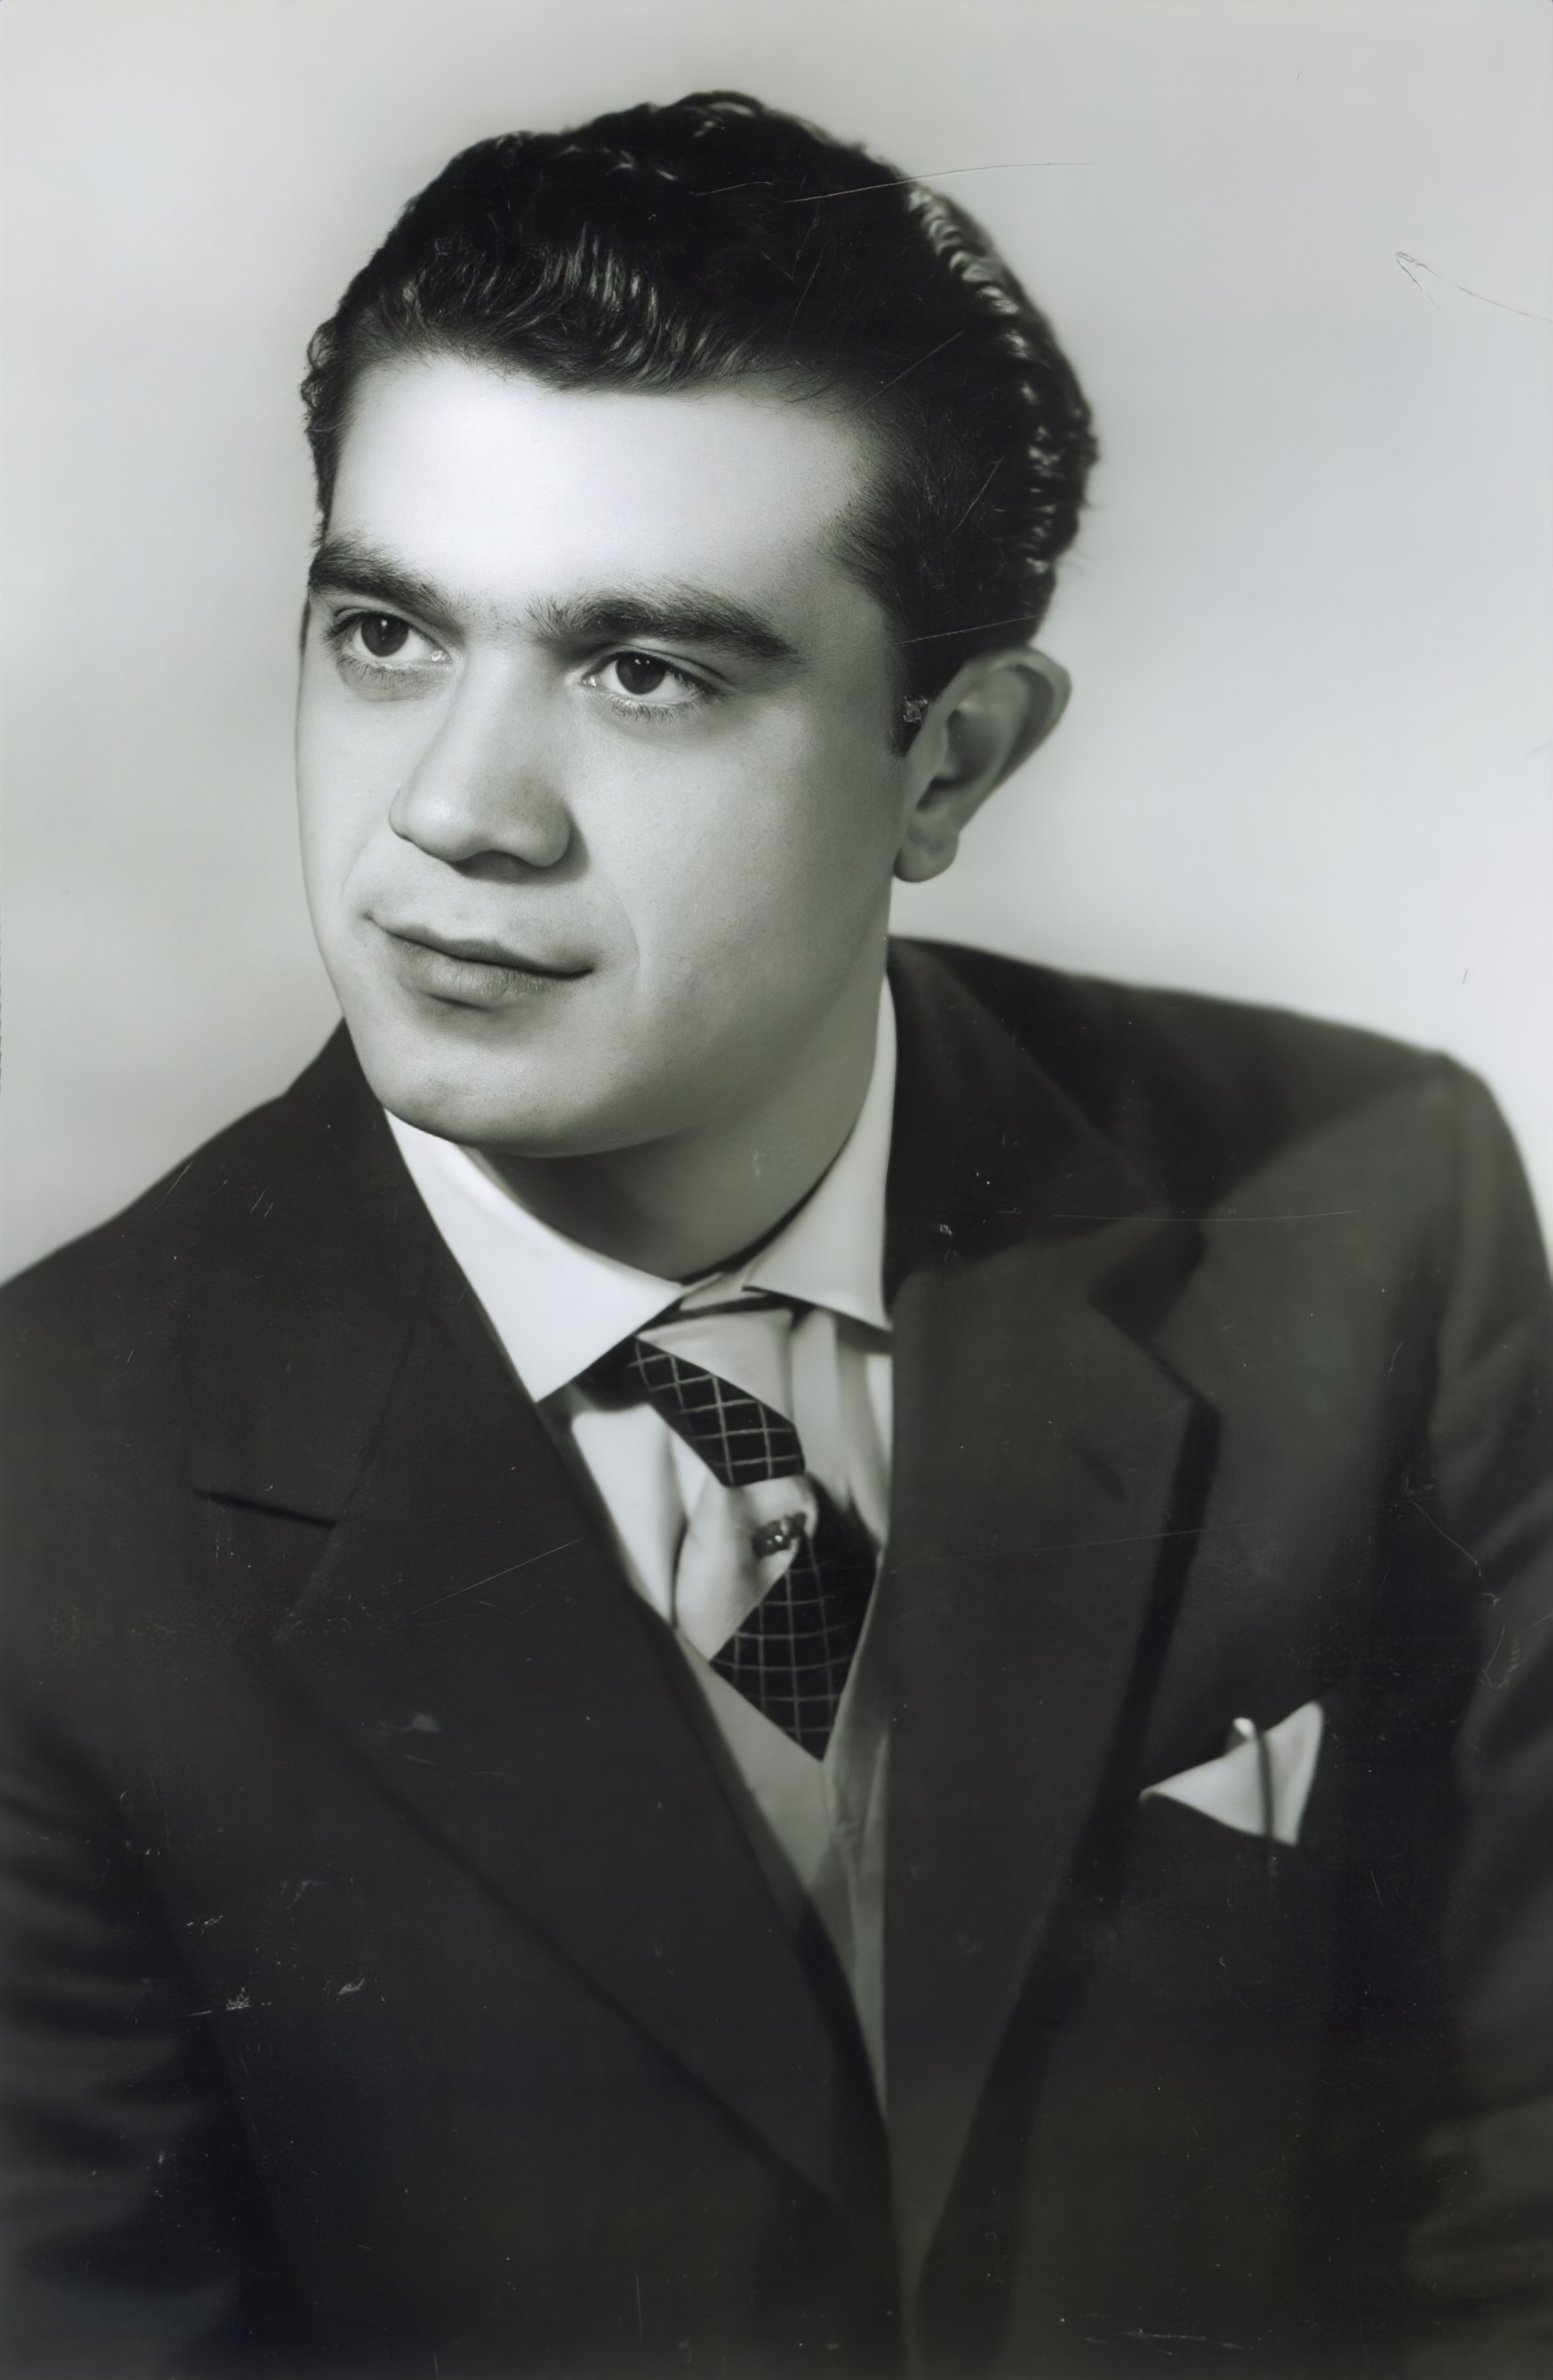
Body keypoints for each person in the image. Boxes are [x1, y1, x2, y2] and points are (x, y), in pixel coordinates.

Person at [1, 88, 1548, 2380]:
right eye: (388, 635)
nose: (455, 814)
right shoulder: (43, 1501)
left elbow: (1513, 2198)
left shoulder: (1367, 1201)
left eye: (649, 672)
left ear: (953, 762)